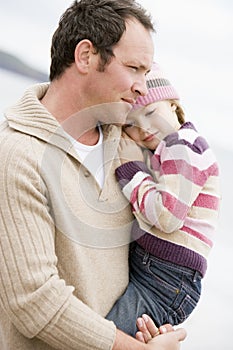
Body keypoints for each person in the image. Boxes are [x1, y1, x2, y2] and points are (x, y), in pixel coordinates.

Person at [0, 1, 186, 349]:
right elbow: (34, 301)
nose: (142, 87)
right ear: (85, 56)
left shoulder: (128, 145)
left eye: (147, 73)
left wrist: (152, 326)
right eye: (133, 68)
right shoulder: (16, 156)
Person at [106, 62, 220, 336]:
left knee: (102, 336)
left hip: (167, 280)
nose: (143, 128)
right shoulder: (167, 149)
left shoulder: (184, 147)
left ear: (173, 104)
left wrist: (130, 170)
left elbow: (167, 216)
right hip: (158, 273)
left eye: (151, 112)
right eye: (131, 124)